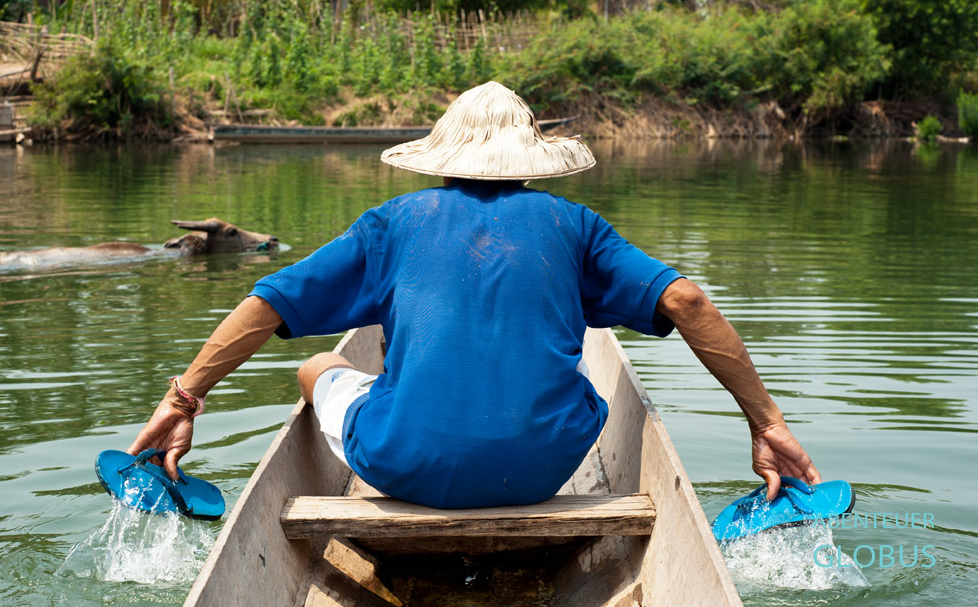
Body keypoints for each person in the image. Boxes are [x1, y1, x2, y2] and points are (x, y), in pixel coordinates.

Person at [128, 81, 820, 508]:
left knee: (315, 369)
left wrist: (182, 398)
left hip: (404, 465)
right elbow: (690, 303)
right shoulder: (574, 224)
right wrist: (765, 422)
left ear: (443, 155)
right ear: (529, 161)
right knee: (575, 358)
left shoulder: (394, 224)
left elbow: (269, 302)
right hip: (544, 469)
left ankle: (383, 401)